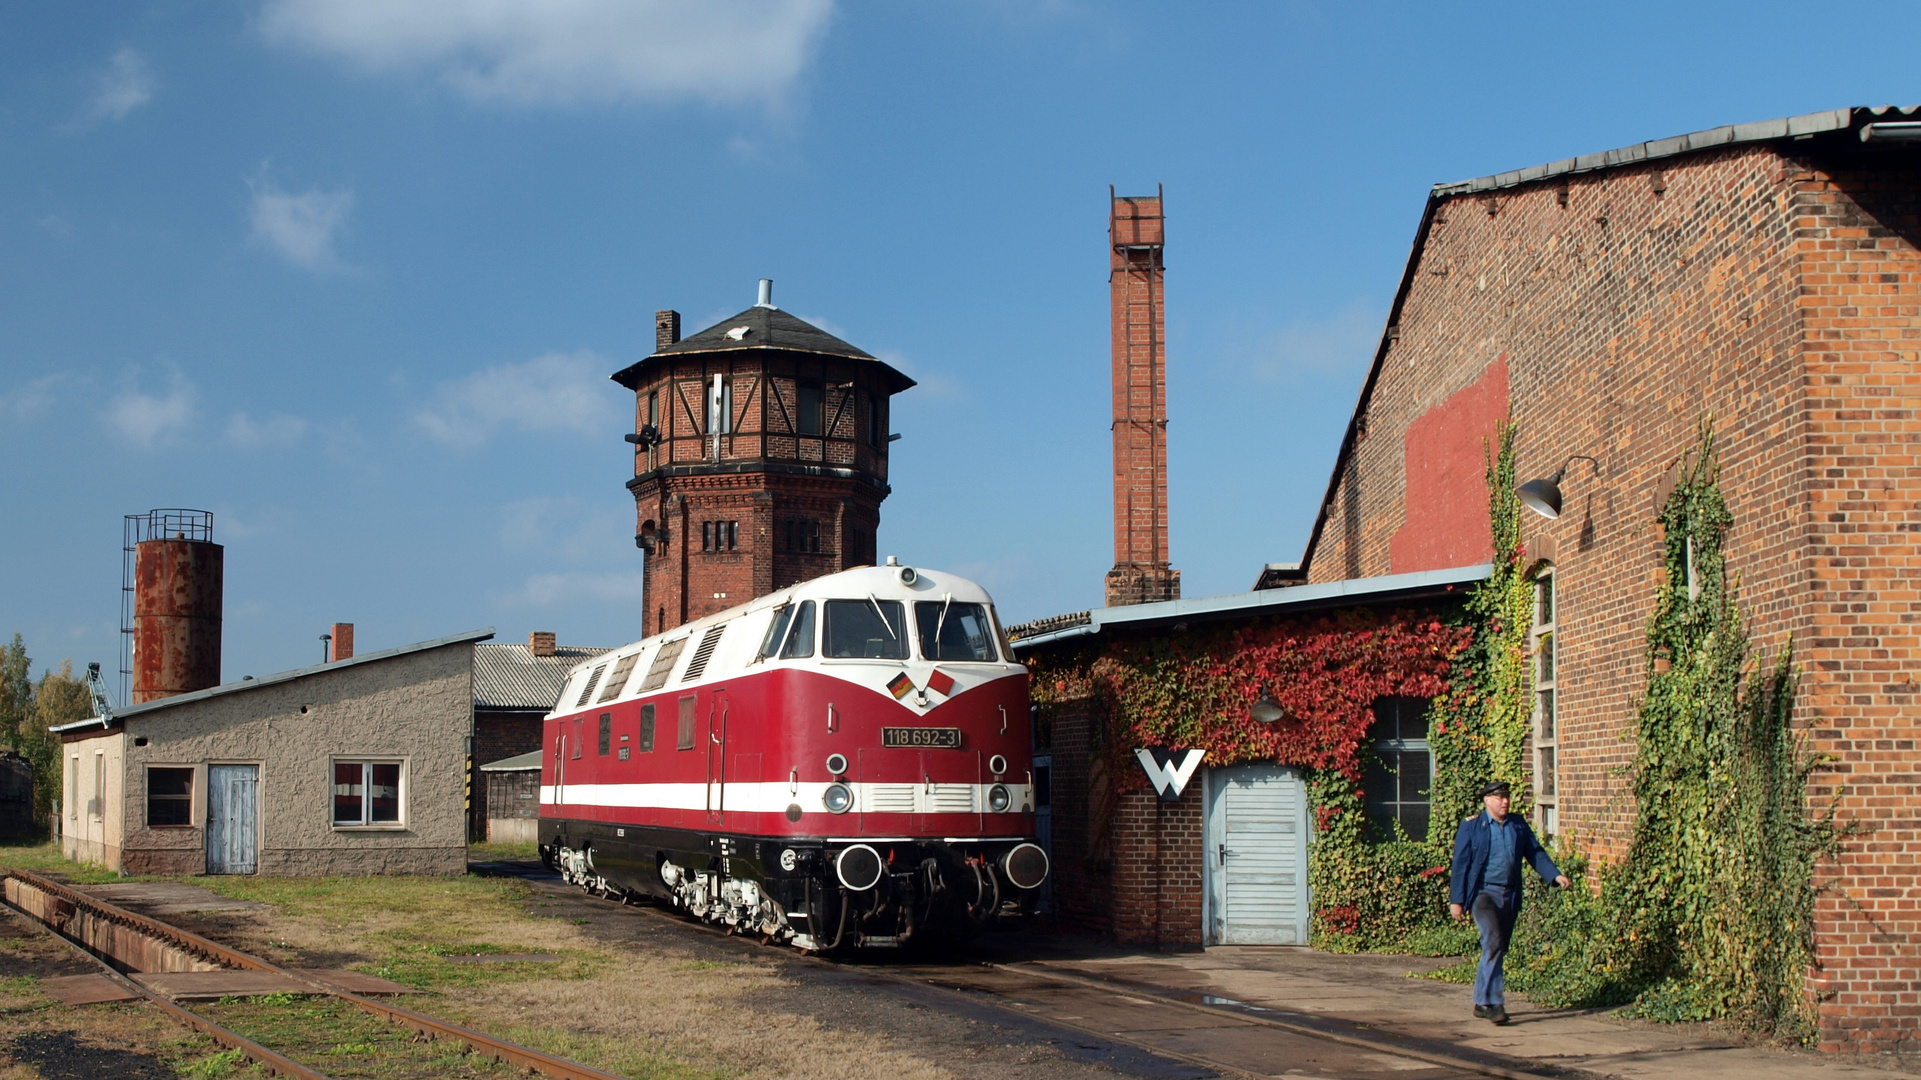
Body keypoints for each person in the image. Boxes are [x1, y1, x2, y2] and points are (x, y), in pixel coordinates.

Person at [1448, 780, 1570, 1024]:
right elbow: (1460, 865)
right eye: (1499, 798)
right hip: (1483, 895)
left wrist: (1554, 875)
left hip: (1509, 894)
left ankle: (1481, 1002)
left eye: (1507, 797)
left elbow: (1535, 852)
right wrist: (1457, 901)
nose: (1505, 802)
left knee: (1497, 947)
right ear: (1486, 800)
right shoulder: (1472, 827)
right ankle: (1494, 1004)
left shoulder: (1517, 824)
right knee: (1492, 941)